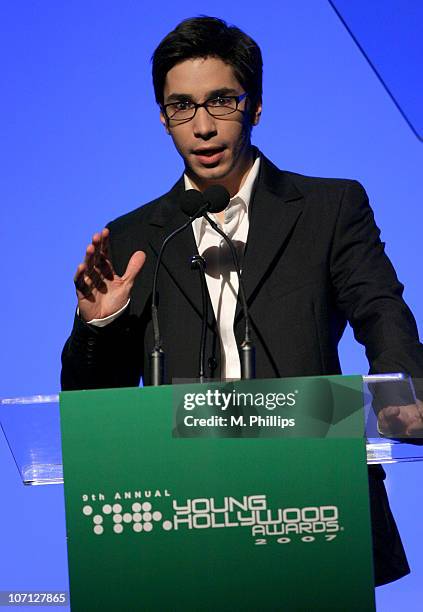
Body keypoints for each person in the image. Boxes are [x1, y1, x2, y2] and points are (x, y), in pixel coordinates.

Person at [61, 16, 423, 586]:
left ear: (254, 107)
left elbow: (380, 307)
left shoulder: (328, 208)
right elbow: (90, 410)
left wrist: (403, 388)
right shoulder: (133, 239)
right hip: (179, 512)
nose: (201, 126)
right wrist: (100, 324)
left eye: (221, 102)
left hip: (312, 500)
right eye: (181, 106)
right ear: (163, 117)